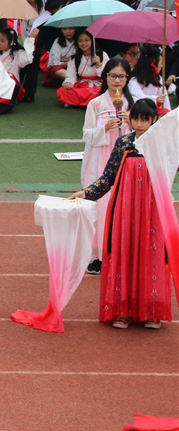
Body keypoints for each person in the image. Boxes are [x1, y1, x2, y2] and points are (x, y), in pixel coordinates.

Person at [69, 99, 170, 329]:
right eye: (136, 119)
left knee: (151, 254)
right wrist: (87, 192)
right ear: (130, 119)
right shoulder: (123, 142)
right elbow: (108, 176)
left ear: (154, 119)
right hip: (124, 208)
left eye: (145, 119)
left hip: (154, 209)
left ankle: (152, 310)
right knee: (124, 253)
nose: (140, 124)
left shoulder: (162, 143)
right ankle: (122, 311)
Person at [80, 59, 133, 275]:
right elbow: (87, 134)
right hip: (102, 158)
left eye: (121, 76)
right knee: (101, 204)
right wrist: (105, 127)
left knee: (126, 203)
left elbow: (147, 130)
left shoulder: (134, 103)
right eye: (113, 76)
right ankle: (99, 254)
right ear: (106, 77)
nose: (117, 81)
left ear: (127, 79)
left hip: (127, 158)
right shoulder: (95, 104)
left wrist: (131, 120)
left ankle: (125, 252)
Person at [58, 30, 108, 107]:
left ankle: (77, 102)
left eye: (87, 40)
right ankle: (91, 102)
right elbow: (71, 76)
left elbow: (107, 75)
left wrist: (99, 64)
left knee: (102, 91)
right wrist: (69, 83)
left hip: (98, 85)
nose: (83, 43)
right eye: (80, 41)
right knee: (62, 91)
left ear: (92, 41)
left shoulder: (102, 55)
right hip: (82, 85)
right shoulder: (75, 58)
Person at [128, 45, 173, 112]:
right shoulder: (134, 81)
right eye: (160, 63)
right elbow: (138, 97)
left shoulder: (159, 79)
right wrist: (156, 99)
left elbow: (166, 103)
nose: (161, 66)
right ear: (153, 64)